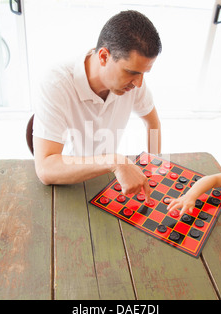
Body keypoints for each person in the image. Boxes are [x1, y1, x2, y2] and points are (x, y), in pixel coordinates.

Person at [32, 10, 162, 201]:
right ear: (103, 56)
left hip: (108, 181)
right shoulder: (56, 83)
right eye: (131, 72)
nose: (139, 83)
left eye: (144, 74)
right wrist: (114, 161)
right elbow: (45, 169)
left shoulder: (134, 83)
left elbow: (153, 124)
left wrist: (154, 168)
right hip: (67, 187)